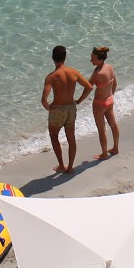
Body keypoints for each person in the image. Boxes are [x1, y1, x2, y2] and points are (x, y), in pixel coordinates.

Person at [41, 46, 91, 174]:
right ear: (65, 57)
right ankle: (70, 168)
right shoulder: (73, 72)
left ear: (53, 58)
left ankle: (62, 165)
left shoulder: (51, 77)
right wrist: (79, 101)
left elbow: (44, 100)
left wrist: (49, 109)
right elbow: (89, 87)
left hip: (58, 109)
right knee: (71, 138)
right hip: (71, 108)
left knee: (54, 136)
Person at [89, 46, 119, 160]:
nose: (91, 60)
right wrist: (111, 96)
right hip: (109, 100)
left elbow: (88, 86)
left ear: (100, 59)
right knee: (113, 124)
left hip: (99, 104)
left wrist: (78, 100)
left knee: (101, 129)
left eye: (93, 58)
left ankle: (104, 154)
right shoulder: (110, 68)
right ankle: (115, 148)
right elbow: (115, 84)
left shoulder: (98, 73)